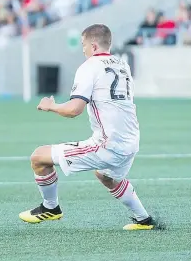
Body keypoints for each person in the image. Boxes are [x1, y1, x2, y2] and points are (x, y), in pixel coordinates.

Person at [19, 24, 161, 230]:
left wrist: (51, 106)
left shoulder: (89, 66)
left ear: (94, 46)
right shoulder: (122, 64)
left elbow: (74, 109)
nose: (82, 49)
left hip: (108, 144)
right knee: (105, 175)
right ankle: (144, 220)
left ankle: (51, 207)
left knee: (38, 158)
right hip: (131, 141)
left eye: (84, 45)